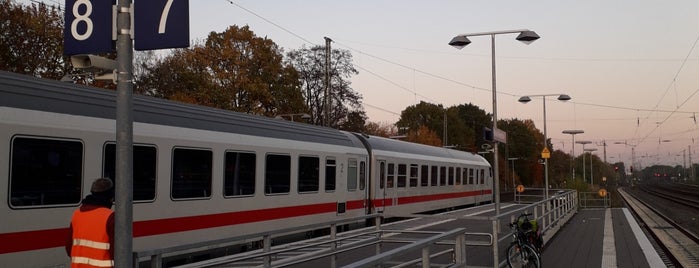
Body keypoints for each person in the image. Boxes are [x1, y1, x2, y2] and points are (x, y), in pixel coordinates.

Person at [65, 178, 115, 268]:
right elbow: (117, 253)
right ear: (110, 197)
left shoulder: (77, 214)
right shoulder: (110, 217)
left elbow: (69, 248)